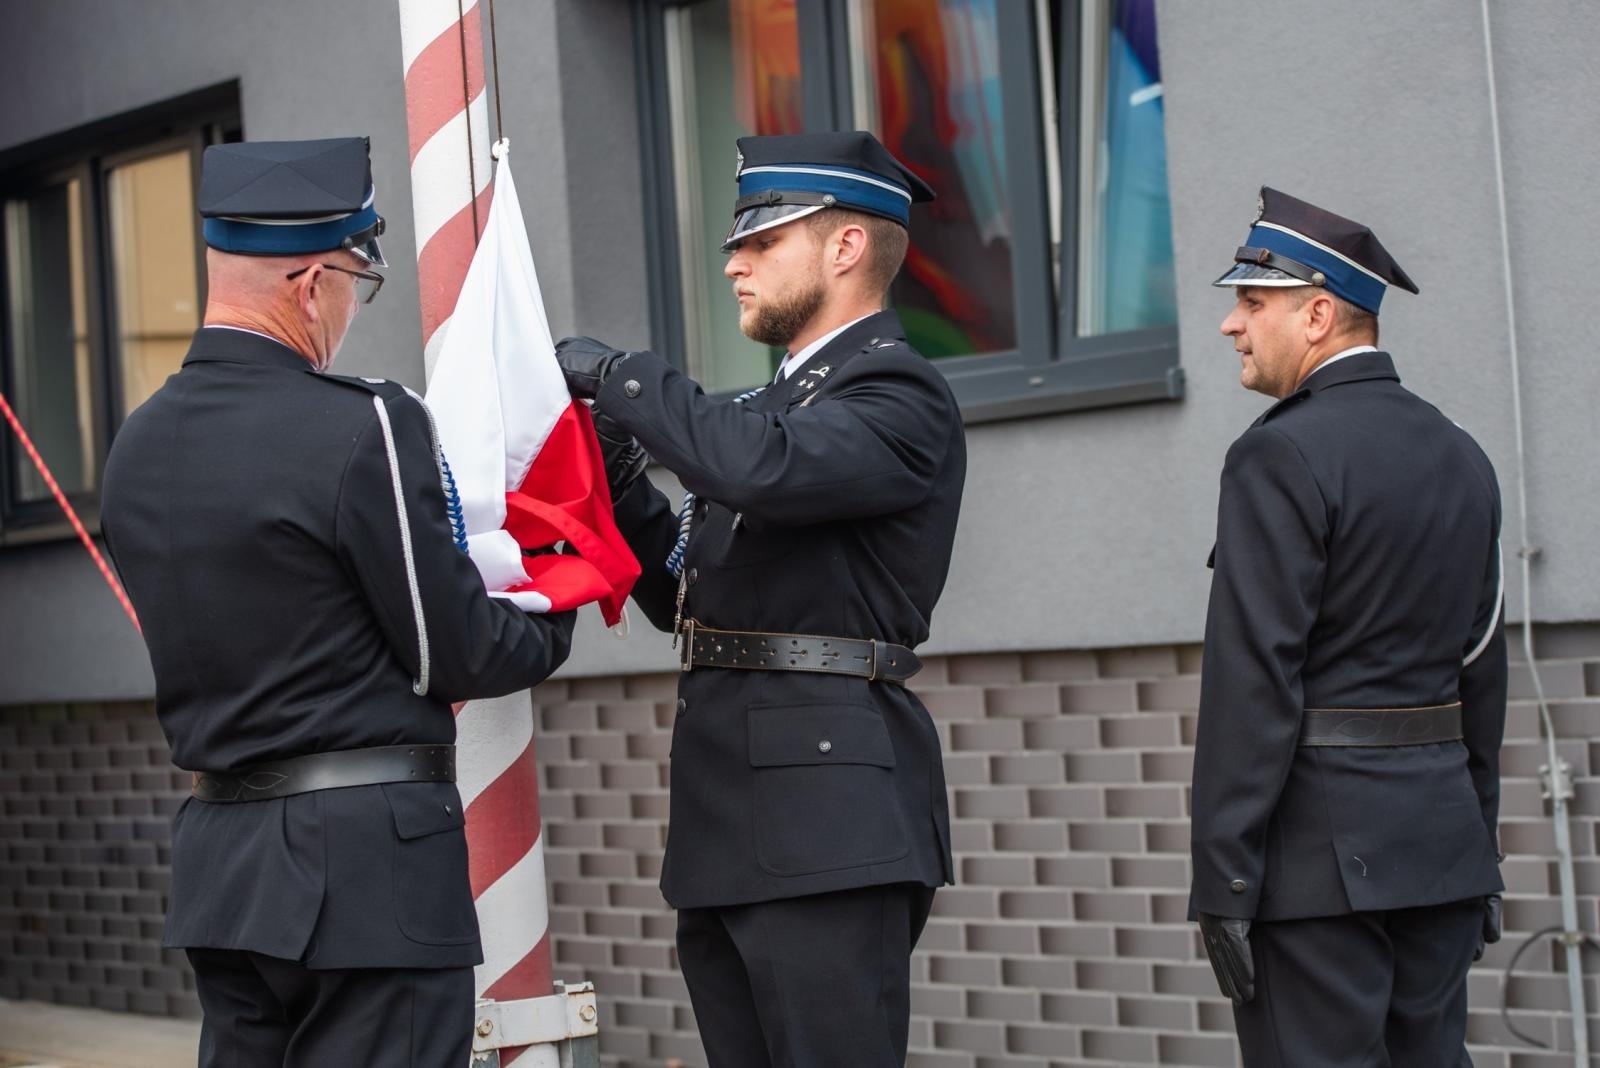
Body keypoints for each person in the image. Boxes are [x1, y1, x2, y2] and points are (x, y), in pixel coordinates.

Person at [99, 137, 577, 1067]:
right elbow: (460, 652)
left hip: (223, 867)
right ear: (313, 282)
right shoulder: (365, 423)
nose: (355, 308)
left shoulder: (136, 445)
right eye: (360, 280)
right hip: (366, 876)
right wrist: (554, 585)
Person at [552, 130, 966, 1067]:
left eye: (763, 241)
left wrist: (622, 378)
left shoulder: (896, 392)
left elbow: (765, 475)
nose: (733, 262)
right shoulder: (762, 412)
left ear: (846, 248)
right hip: (725, 814)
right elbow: (685, 600)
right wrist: (621, 482)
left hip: (827, 818)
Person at [1191, 187, 1507, 1066]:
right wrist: (1477, 845)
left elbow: (1253, 684)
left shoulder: (1278, 453)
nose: (1233, 325)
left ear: (1319, 313)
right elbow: (1481, 668)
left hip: (1315, 871)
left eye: (1253, 303)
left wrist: (1226, 879)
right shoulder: (1462, 454)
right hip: (1441, 850)